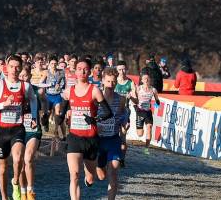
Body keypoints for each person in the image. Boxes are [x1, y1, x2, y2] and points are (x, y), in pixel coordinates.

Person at [0, 55, 39, 200]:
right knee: (2, 169)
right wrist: (3, 104)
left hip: (17, 129)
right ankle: (4, 197)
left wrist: (34, 117)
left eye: (17, 67)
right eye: (11, 67)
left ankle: (15, 181)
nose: (14, 70)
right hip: (2, 131)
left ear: (20, 68)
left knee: (18, 159)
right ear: (6, 68)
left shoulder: (25, 86)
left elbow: (33, 99)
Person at [62, 58, 113, 200]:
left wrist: (95, 119)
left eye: (85, 69)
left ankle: (89, 176)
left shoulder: (94, 90)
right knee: (74, 175)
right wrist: (60, 116)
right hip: (74, 138)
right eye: (79, 69)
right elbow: (62, 110)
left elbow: (108, 113)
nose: (82, 72)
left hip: (91, 138)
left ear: (89, 72)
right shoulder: (69, 91)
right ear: (75, 71)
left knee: (91, 178)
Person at [96, 68, 128, 200]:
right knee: (101, 176)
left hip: (113, 140)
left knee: (113, 172)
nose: (111, 85)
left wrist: (125, 124)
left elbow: (123, 116)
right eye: (108, 81)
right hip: (99, 141)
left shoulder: (121, 99)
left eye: (113, 82)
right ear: (103, 81)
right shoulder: (96, 97)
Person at [18, 65, 42, 200]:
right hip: (18, 130)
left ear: (30, 76)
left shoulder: (36, 90)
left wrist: (44, 114)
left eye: (25, 75)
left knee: (28, 159)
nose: (22, 78)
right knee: (20, 163)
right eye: (20, 75)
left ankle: (30, 191)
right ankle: (22, 192)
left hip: (33, 130)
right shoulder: (14, 90)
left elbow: (44, 102)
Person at [131, 72, 159, 148]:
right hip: (140, 112)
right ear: (142, 80)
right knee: (140, 134)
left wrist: (156, 105)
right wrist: (135, 108)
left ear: (150, 80)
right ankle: (141, 130)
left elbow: (157, 101)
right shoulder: (138, 88)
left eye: (147, 78)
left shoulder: (153, 90)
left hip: (148, 112)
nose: (146, 80)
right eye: (144, 79)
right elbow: (134, 100)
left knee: (149, 127)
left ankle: (147, 148)